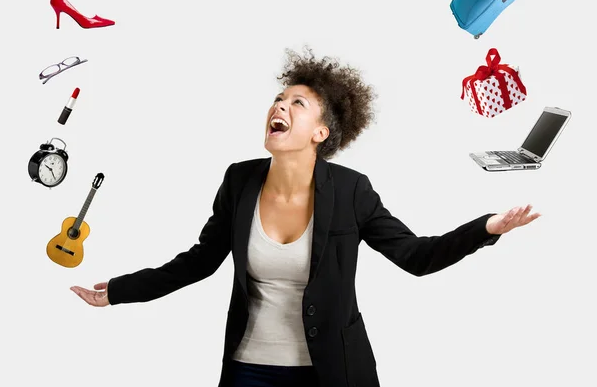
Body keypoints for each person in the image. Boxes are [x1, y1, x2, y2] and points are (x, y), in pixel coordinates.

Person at [71, 47, 540, 387]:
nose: (280, 106)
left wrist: (486, 228)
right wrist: (117, 292)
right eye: (280, 99)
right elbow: (198, 262)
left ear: (321, 131)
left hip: (332, 372)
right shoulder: (239, 181)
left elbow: (416, 256)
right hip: (248, 369)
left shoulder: (352, 190)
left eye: (298, 103)